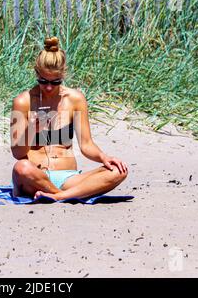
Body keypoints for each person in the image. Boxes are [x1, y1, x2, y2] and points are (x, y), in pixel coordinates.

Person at [10, 36, 128, 201]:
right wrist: (31, 130)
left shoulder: (75, 99)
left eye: (55, 81)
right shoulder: (23, 101)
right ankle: (68, 196)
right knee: (21, 167)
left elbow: (86, 145)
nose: (49, 87)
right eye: (43, 81)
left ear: (63, 75)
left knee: (118, 170)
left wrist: (104, 157)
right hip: (34, 177)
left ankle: (58, 196)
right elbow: (17, 152)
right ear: (36, 73)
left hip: (68, 179)